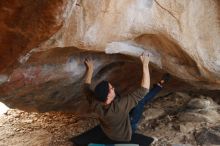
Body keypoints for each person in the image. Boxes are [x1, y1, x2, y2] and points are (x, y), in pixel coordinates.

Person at [71, 53, 170, 146]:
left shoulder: (95, 103)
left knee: (138, 101)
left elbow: (86, 88)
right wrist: (145, 64)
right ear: (108, 96)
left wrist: (90, 69)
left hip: (111, 133)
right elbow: (144, 90)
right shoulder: (118, 107)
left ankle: (159, 85)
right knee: (141, 101)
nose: (113, 88)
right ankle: (160, 85)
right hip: (126, 133)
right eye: (111, 88)